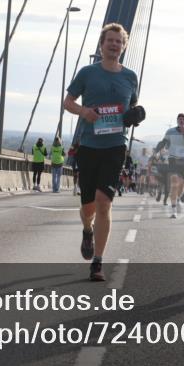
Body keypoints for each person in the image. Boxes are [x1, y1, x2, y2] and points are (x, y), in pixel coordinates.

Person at [63, 23, 142, 281]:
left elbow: (132, 107)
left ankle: (97, 262)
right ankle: (88, 229)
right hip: (89, 145)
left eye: (119, 42)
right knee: (88, 206)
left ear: (124, 46)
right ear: (102, 44)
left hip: (115, 146)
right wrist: (83, 112)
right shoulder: (87, 73)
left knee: (104, 202)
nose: (114, 45)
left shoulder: (130, 76)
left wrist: (136, 115)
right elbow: (68, 102)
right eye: (110, 40)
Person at [161, 113, 184, 218]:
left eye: (183, 120)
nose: (181, 121)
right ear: (177, 120)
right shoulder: (170, 131)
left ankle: (180, 197)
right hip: (173, 159)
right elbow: (165, 145)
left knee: (181, 186)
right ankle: (174, 210)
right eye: (179, 119)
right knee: (174, 182)